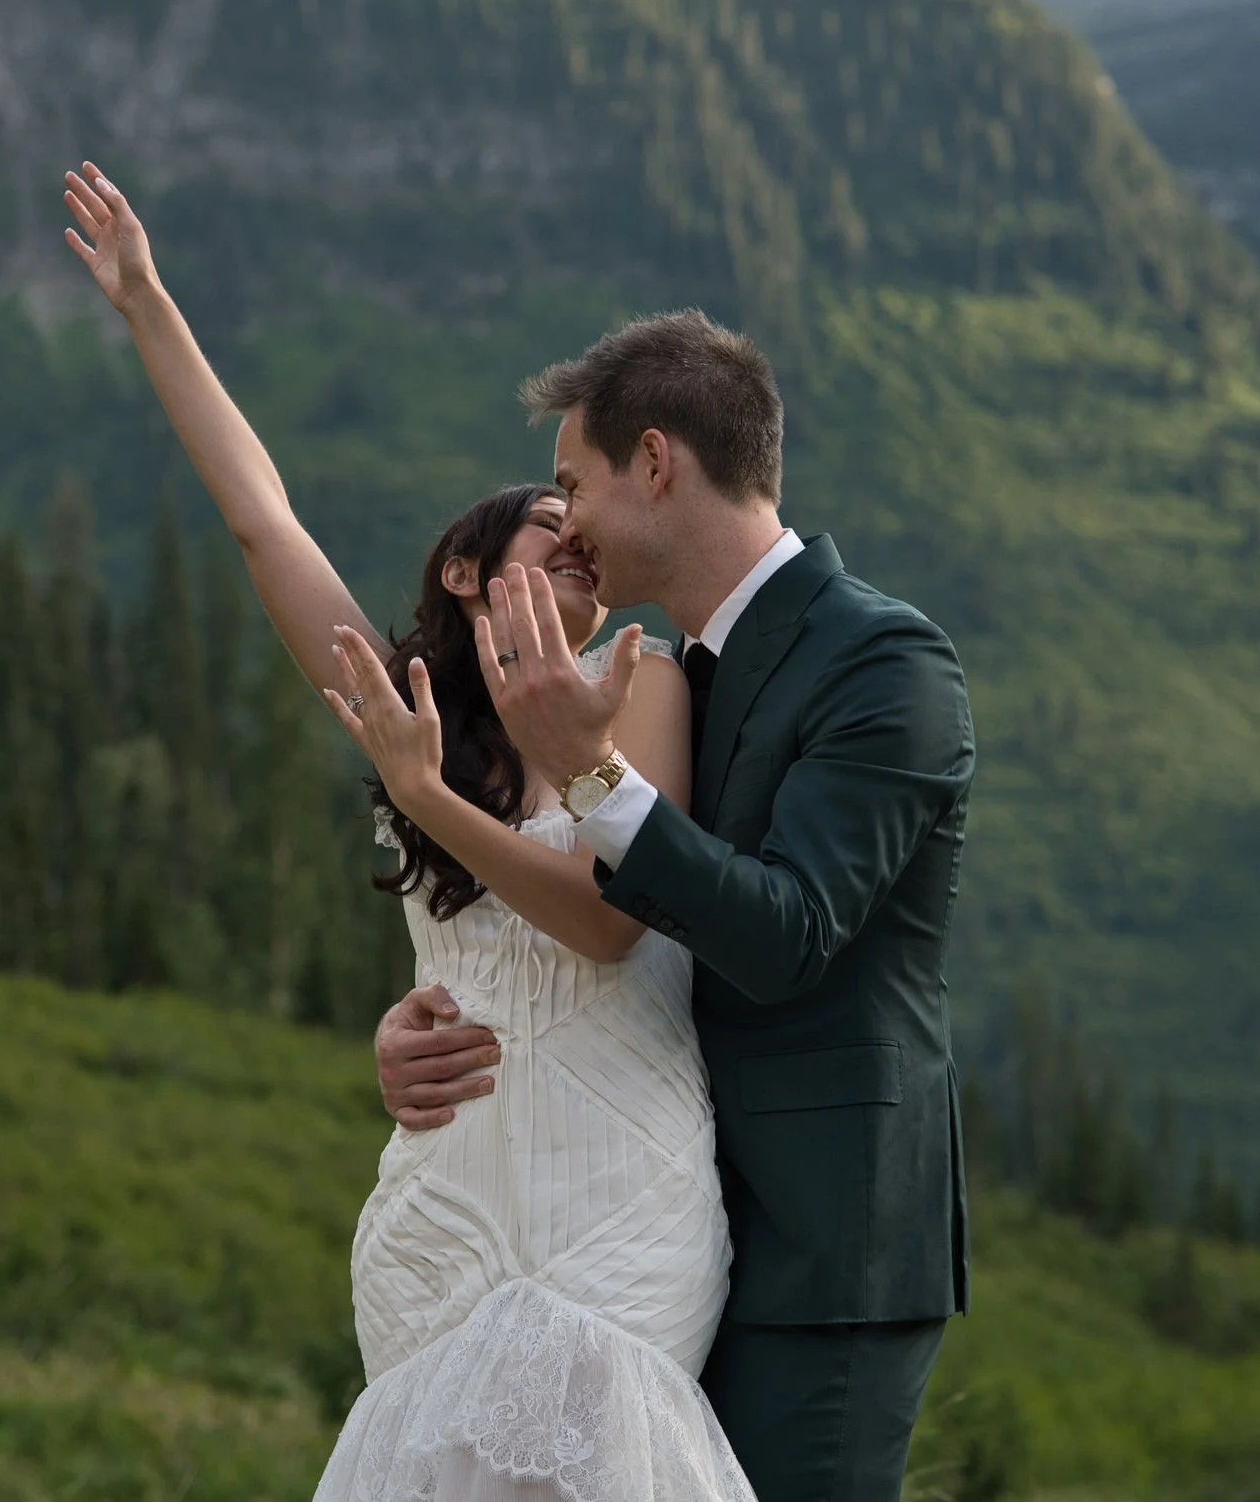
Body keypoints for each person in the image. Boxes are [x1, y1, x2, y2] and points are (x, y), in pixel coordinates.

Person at [61, 164, 757, 1500]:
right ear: (462, 568)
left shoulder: (645, 685)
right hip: (446, 1208)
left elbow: (610, 921)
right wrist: (149, 304)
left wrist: (427, 797)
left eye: (590, 549)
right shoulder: (409, 716)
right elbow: (263, 523)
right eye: (549, 533)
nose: (581, 559)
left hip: (613, 1196)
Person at [375, 309, 977, 1501]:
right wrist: (416, 1026)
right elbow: (611, 945)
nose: (570, 527)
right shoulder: (683, 680)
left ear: (653, 464)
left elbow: (788, 931)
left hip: (818, 1255)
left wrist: (591, 772)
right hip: (661, 1240)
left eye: (573, 484)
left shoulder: (885, 664)